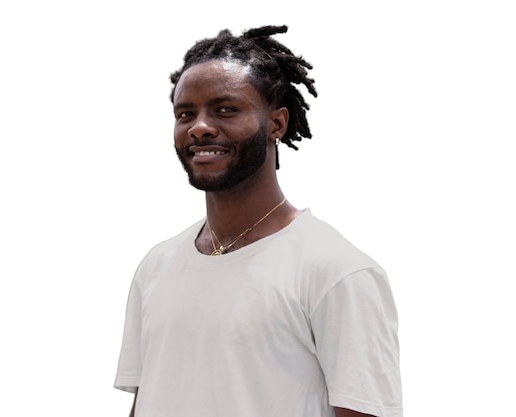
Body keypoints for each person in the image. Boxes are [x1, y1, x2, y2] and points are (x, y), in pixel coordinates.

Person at [114, 25, 403, 417]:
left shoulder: (337, 272)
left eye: (225, 109)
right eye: (185, 114)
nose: (199, 126)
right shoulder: (156, 266)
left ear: (277, 124)